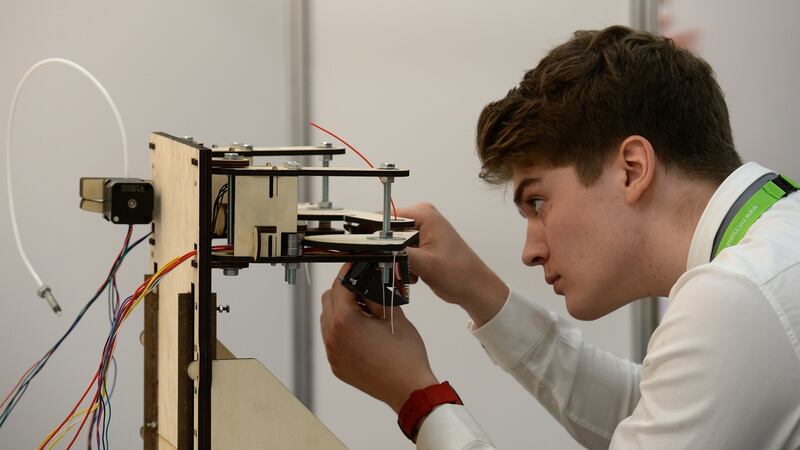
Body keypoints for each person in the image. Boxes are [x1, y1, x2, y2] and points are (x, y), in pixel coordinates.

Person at [319, 25, 800, 449]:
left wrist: (419, 401)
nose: (530, 251)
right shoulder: (774, 249)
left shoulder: (737, 297)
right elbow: (651, 415)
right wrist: (480, 294)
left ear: (632, 169)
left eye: (537, 203)